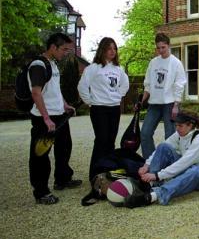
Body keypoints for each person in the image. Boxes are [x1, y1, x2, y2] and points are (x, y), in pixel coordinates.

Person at [28, 32, 82, 204]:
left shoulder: (53, 64)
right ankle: (41, 192)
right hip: (45, 118)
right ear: (53, 47)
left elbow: (54, 90)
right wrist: (46, 118)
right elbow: (36, 93)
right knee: (40, 155)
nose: (66, 53)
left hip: (59, 115)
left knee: (64, 147)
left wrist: (65, 104)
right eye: (64, 49)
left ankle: (63, 179)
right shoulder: (38, 65)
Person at [124, 111, 199, 207]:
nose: (177, 128)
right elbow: (161, 148)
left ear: (190, 125)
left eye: (180, 126)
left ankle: (152, 196)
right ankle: (150, 185)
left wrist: (158, 175)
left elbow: (184, 163)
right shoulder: (179, 134)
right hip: (186, 168)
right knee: (163, 146)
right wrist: (147, 165)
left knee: (196, 171)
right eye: (176, 125)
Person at [77, 37, 130, 181]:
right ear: (102, 50)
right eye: (109, 48)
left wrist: (118, 96)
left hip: (114, 109)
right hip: (99, 109)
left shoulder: (118, 69)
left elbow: (125, 84)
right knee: (101, 140)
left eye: (114, 48)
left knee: (111, 140)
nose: (112, 51)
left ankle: (108, 171)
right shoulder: (93, 68)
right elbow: (82, 86)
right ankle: (94, 174)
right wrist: (90, 101)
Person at [139, 33, 187, 159]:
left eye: (163, 47)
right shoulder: (153, 63)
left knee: (170, 137)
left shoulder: (176, 63)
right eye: (158, 48)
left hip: (170, 104)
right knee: (145, 133)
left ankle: (170, 164)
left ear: (168, 46)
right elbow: (148, 84)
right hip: (154, 104)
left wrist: (176, 105)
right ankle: (150, 161)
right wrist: (141, 101)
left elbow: (179, 84)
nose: (160, 50)